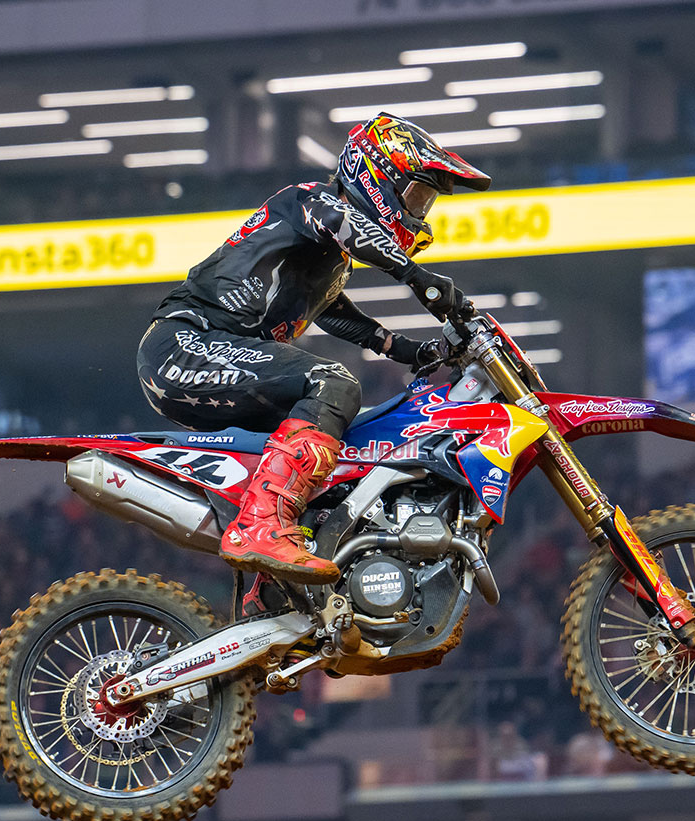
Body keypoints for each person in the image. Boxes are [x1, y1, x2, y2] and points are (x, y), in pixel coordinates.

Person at [137, 113, 491, 582]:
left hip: (218, 354)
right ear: (376, 175)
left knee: (341, 438)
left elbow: (330, 310)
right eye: (417, 195)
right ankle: (260, 526)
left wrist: (408, 350)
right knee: (332, 383)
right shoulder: (310, 200)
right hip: (187, 342)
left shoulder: (329, 259)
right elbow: (342, 224)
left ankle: (279, 587)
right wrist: (417, 278)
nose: (420, 212)